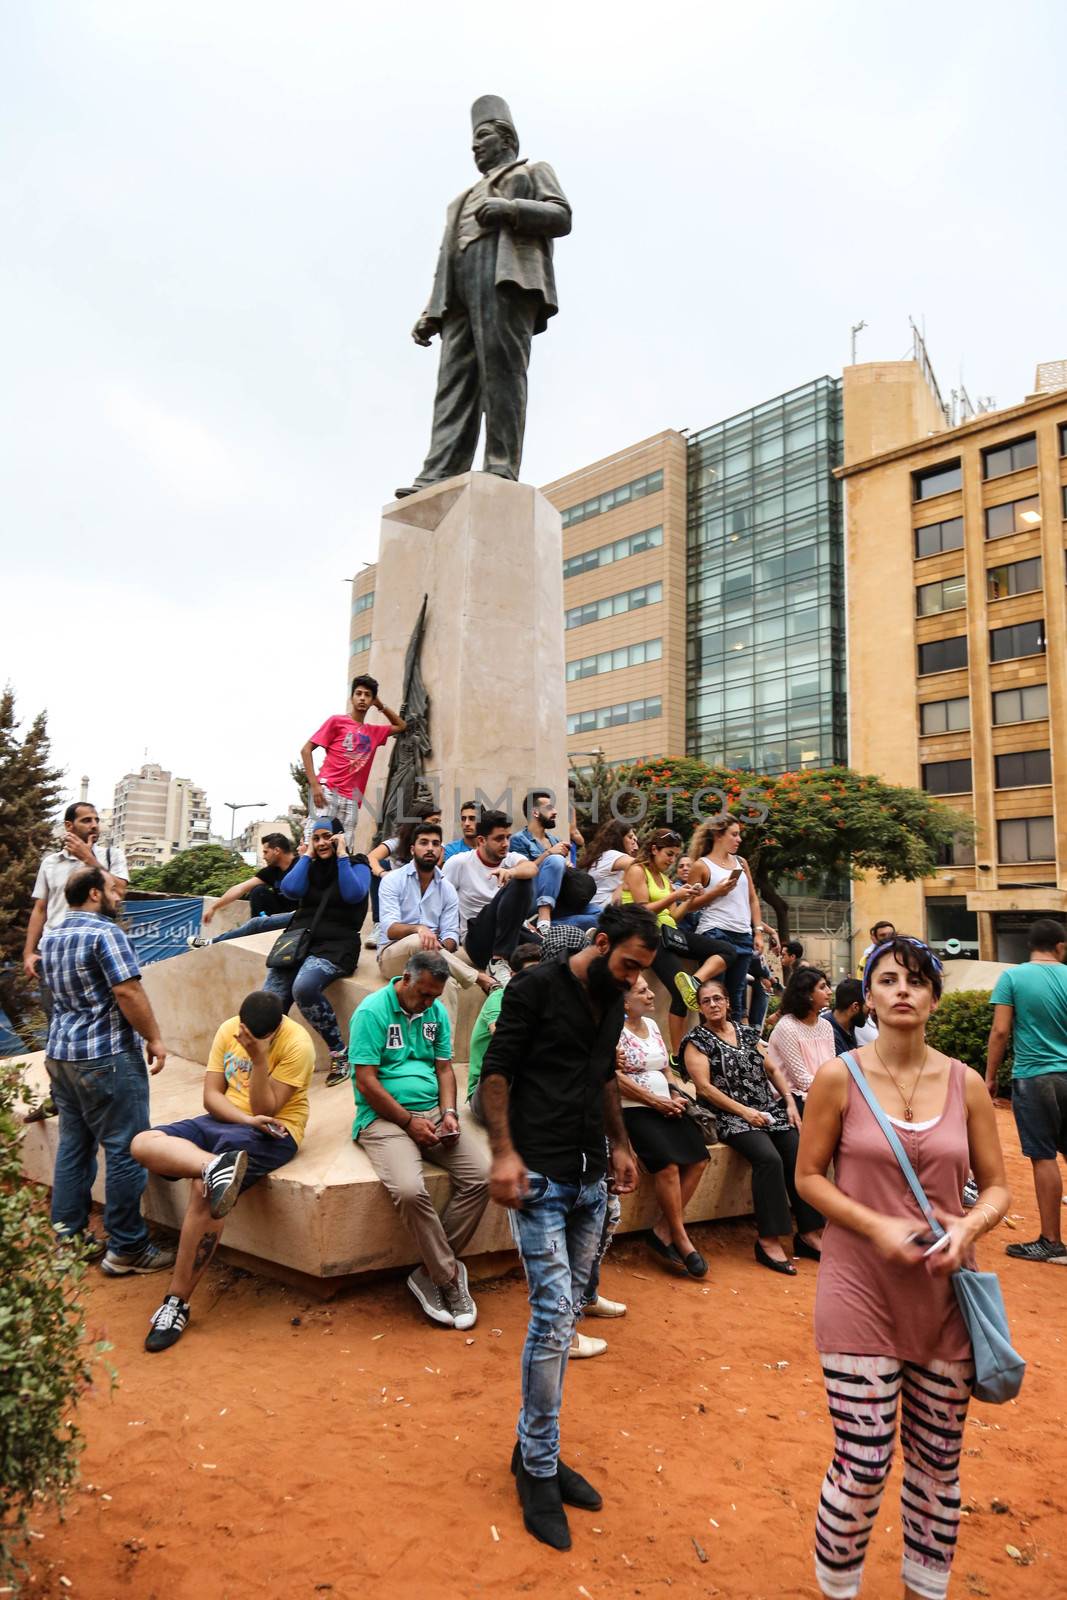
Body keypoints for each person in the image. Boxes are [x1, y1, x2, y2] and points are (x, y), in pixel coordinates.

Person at [796, 936, 1010, 1600]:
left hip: (944, 1297)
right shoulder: (839, 1076)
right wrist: (874, 1224)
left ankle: (925, 1590)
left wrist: (969, 1223)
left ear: (934, 998)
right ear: (868, 997)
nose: (902, 990)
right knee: (862, 1464)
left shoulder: (964, 1083)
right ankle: (838, 1589)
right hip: (857, 1289)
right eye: (887, 979)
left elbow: (997, 1187)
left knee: (937, 1467)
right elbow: (807, 1177)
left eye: (916, 980)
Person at [479, 903, 657, 1551]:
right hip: (537, 1174)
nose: (634, 979)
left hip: (589, 1176)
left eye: (642, 970)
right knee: (552, 1315)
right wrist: (502, 1155)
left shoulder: (610, 997)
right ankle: (540, 1468)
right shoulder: (533, 987)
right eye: (628, 964)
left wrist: (622, 1146)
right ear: (601, 941)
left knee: (569, 1312)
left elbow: (604, 1074)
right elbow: (495, 1074)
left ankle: (532, 1449)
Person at [394, 94, 571, 497]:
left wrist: (510, 209)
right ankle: (439, 470)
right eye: (473, 139)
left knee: (502, 373)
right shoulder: (458, 201)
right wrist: (432, 312)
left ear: (506, 138)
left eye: (483, 135)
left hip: (505, 276)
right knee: (453, 381)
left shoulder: (532, 170)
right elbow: (446, 256)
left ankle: (500, 464)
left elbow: (561, 216)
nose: (475, 146)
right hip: (459, 290)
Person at [130, 989, 315, 1351]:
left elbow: (269, 1109)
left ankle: (176, 1303)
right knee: (142, 1143)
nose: (246, 1037)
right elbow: (211, 1096)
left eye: (257, 1036)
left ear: (275, 1030)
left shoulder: (298, 1045)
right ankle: (214, 1166)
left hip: (273, 1131)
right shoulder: (228, 1029)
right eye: (245, 1031)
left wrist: (259, 1060)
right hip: (226, 1119)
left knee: (205, 1190)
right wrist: (242, 1118)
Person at [38, 866, 174, 1276]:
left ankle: (70, 1240)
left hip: (62, 1055)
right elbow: (127, 990)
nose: (120, 897)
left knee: (74, 1147)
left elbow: (51, 997)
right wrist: (154, 1037)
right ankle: (128, 1247)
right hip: (106, 1057)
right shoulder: (104, 932)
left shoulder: (53, 935)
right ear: (95, 894)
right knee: (126, 1148)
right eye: (114, 891)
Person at [349, 950, 489, 1330]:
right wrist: (408, 1122)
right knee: (410, 1191)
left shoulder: (436, 1011)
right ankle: (446, 1278)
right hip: (383, 1118)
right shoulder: (371, 1011)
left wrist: (448, 1114)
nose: (429, 1002)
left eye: (434, 996)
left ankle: (428, 1273)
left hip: (431, 1111)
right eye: (424, 994)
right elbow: (366, 1081)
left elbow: (444, 1069)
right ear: (406, 979)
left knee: (481, 1177)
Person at [684, 977, 823, 1274]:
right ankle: (768, 1241)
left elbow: (771, 1067)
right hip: (729, 1115)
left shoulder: (747, 1034)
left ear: (727, 1002)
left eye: (717, 999)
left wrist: (787, 1100)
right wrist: (744, 1112)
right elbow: (705, 1089)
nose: (713, 1005)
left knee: (798, 1153)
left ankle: (809, 1234)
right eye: (706, 1001)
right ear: (700, 1007)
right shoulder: (697, 1041)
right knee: (768, 1159)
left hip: (767, 1109)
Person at [262, 819, 371, 1087]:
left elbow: (354, 893)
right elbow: (290, 889)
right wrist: (307, 855)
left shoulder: (357, 864)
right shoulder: (308, 866)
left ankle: (339, 1053)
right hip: (298, 943)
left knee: (304, 987)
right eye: (317, 838)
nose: (322, 843)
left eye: (328, 837)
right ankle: (271, 1060)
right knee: (268, 1001)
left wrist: (342, 855)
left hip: (337, 945)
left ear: (340, 838)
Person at [617, 975, 709, 1278]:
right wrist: (654, 1102)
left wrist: (673, 1093)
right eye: (643, 991)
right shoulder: (614, 1030)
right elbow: (614, 1078)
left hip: (666, 1106)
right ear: (625, 1001)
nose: (652, 994)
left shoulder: (653, 1026)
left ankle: (662, 1230)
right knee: (667, 1166)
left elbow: (666, 1067)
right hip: (635, 1111)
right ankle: (680, 1238)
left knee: (698, 1159)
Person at [986, 917, 1067, 1263]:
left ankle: (1051, 1240)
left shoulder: (1013, 977)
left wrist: (990, 1076)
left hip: (1034, 1076)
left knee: (1043, 1155)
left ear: (1029, 947)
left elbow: (1000, 1031)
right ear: (1060, 947)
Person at [620, 827, 732, 1062]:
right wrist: (673, 895)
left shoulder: (664, 879)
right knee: (680, 995)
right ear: (654, 850)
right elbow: (641, 912)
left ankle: (694, 981)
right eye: (669, 854)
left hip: (670, 933)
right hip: (648, 934)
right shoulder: (637, 870)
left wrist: (689, 897)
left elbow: (674, 915)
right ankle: (677, 1055)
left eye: (674, 855)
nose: (672, 860)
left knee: (727, 951)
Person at [377, 820, 494, 1026]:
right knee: (418, 940)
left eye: (435, 843)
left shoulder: (447, 889)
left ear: (441, 850)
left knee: (445, 981)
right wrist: (420, 930)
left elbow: (451, 937)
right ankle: (477, 977)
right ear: (413, 849)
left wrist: (437, 945)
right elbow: (390, 928)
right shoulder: (392, 880)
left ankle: (444, 1053)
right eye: (424, 843)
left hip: (431, 957)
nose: (430, 848)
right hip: (393, 956)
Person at [24, 802, 129, 1013]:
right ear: (69, 826)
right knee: (56, 1023)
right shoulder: (51, 863)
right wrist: (28, 953)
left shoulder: (112, 856)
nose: (94, 825)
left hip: (95, 951)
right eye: (86, 820)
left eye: (96, 820)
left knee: (101, 1019)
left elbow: (119, 891)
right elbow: (40, 909)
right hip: (54, 954)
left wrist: (89, 859)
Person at [299, 674, 406, 848]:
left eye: (368, 695)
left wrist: (381, 705)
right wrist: (315, 785)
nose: (362, 698)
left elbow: (401, 726)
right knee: (313, 842)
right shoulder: (337, 721)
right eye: (359, 693)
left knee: (344, 847)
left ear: (372, 700)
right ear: (352, 697)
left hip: (352, 798)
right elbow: (306, 750)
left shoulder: (373, 732)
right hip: (328, 790)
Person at [686, 815, 767, 1023]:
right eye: (734, 834)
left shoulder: (741, 863)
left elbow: (752, 899)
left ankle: (736, 1049)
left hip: (743, 935)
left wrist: (758, 931)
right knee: (713, 995)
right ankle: (710, 1046)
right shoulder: (701, 866)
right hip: (715, 932)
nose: (739, 839)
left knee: (736, 998)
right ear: (717, 835)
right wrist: (716, 892)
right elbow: (688, 905)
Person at [442, 809, 538, 984]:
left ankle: (505, 958)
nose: (506, 844)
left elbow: (532, 868)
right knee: (520, 883)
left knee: (549, 950)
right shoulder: (460, 863)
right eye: (499, 839)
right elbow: (441, 899)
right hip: (479, 939)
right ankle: (497, 960)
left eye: (508, 837)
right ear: (481, 840)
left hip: (510, 935)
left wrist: (511, 871)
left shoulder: (511, 859)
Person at [466, 942, 542, 1124]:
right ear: (513, 975)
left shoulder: (541, 1002)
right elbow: (504, 1041)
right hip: (485, 1092)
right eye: (528, 972)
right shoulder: (499, 998)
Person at [509, 789, 597, 933]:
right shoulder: (519, 840)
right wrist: (549, 854)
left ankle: (546, 927)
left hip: (559, 900)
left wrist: (566, 866)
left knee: (599, 914)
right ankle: (543, 916)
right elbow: (520, 873)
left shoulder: (554, 840)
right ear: (535, 812)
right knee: (555, 859)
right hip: (531, 901)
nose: (555, 812)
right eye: (549, 808)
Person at [188, 833, 298, 948]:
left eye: (266, 852)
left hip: (299, 917)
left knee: (255, 923)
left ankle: (211, 943)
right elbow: (240, 888)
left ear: (276, 850)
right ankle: (260, 934)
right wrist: (214, 907)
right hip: (280, 915)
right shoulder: (272, 871)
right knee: (258, 890)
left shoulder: (301, 865)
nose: (264, 856)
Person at [366, 803, 442, 949]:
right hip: (397, 887)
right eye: (432, 822)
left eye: (438, 823)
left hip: (419, 889)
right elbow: (370, 858)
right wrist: (384, 874)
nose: (436, 826)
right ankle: (379, 924)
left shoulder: (435, 846)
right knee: (378, 867)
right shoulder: (398, 842)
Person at [766, 967, 835, 1113]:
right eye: (823, 987)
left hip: (822, 1091)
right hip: (791, 1098)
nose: (829, 991)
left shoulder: (826, 1025)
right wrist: (834, 1089)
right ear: (808, 995)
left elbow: (832, 1068)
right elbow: (802, 1081)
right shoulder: (787, 1027)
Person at [576, 818, 639, 912]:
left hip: (599, 908)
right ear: (618, 838)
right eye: (630, 838)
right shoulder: (611, 855)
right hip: (601, 910)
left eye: (635, 840)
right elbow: (642, 865)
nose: (634, 842)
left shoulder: (602, 856)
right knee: (632, 878)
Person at [822, 977, 867, 1058]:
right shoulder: (827, 1032)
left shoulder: (849, 1025)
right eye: (867, 1005)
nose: (870, 1009)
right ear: (855, 1007)